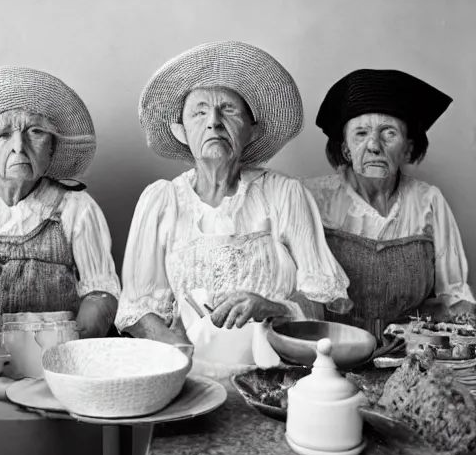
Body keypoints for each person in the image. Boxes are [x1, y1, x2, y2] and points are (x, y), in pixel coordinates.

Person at [116, 42, 351, 358]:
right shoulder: (162, 201)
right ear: (181, 131)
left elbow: (319, 305)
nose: (213, 121)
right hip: (186, 372)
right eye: (199, 112)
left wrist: (271, 307)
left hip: (274, 372)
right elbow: (136, 308)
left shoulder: (285, 194)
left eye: (228, 110)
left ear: (251, 130)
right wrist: (181, 352)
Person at [0, 66, 119, 337]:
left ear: (52, 148)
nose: (19, 146)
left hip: (53, 356)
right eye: (4, 134)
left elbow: (100, 294)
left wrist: (71, 351)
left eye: (35, 132)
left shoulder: (77, 208)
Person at [305, 69, 475, 333]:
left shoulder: (428, 201)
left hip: (409, 353)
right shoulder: (313, 198)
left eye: (388, 133)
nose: (374, 146)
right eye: (361, 133)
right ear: (346, 149)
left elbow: (454, 296)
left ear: (407, 148)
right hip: (331, 353)